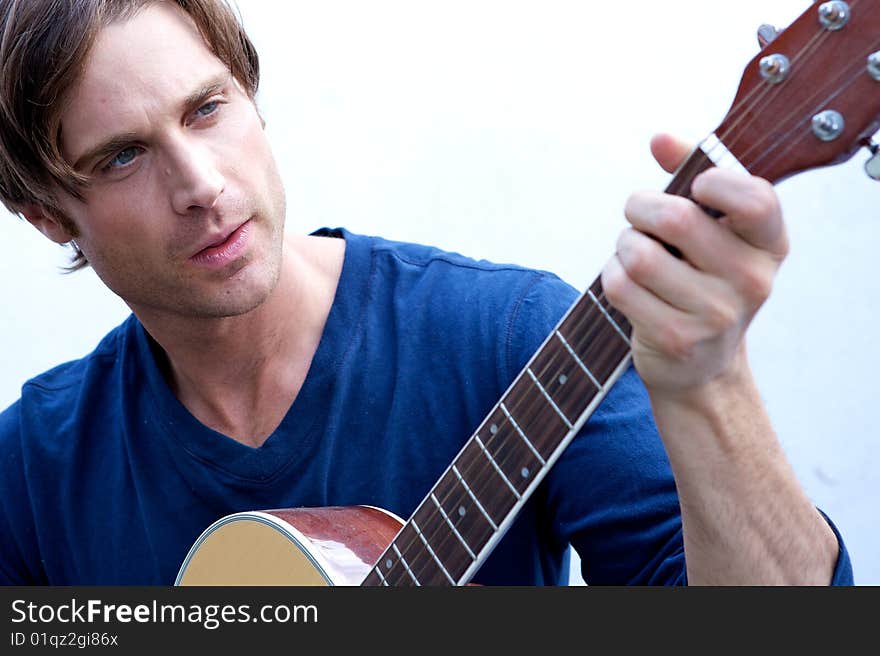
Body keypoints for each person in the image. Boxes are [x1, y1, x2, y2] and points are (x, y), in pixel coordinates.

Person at [0, 0, 851, 586]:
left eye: (206, 109)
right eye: (122, 156)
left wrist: (712, 382)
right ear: (47, 215)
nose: (202, 184)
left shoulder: (516, 340)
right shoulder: (34, 470)